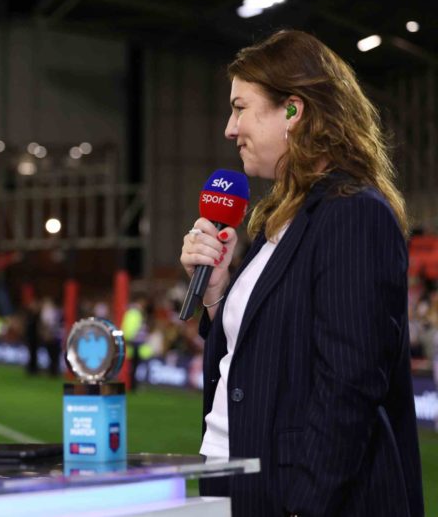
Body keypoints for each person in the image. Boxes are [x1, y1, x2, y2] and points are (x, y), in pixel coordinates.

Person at [180, 30, 423, 516]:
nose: (230, 128)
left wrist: (302, 506)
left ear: (293, 110)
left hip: (300, 499)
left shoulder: (353, 212)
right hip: (241, 480)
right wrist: (218, 292)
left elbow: (348, 387)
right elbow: (257, 360)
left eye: (240, 108)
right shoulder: (282, 220)